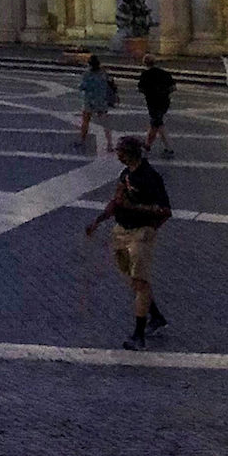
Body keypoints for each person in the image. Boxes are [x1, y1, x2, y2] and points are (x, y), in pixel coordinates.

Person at [86, 136, 171, 350]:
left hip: (141, 233)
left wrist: (145, 223)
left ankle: (139, 335)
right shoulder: (125, 175)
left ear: (130, 153)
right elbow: (117, 201)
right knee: (133, 281)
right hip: (121, 231)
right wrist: (98, 221)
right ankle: (156, 317)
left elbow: (164, 210)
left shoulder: (150, 178)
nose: (117, 155)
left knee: (140, 283)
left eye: (120, 152)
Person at [137, 55, 176, 157]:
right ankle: (147, 144)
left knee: (158, 124)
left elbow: (141, 89)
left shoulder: (145, 74)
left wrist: (150, 92)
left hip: (153, 102)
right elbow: (173, 87)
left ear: (145, 63)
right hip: (164, 102)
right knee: (154, 123)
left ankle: (169, 148)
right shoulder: (164, 73)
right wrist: (164, 92)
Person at [77, 55, 116, 153]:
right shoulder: (103, 73)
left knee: (85, 121)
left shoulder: (87, 74)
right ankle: (109, 144)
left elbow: (82, 86)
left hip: (89, 100)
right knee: (105, 123)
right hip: (101, 100)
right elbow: (110, 83)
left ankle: (82, 140)